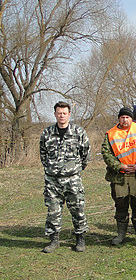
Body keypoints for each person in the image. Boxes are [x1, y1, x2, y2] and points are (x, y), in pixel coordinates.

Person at [39, 101, 91, 253]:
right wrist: (52, 170)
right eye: (59, 113)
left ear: (69, 114)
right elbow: (43, 155)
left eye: (64, 113)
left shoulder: (78, 132)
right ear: (55, 114)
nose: (61, 116)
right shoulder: (47, 133)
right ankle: (54, 240)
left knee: (78, 209)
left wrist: (75, 169)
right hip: (52, 181)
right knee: (53, 211)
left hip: (72, 179)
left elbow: (86, 155)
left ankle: (80, 239)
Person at [102, 107, 136, 246]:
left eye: (128, 117)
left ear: (132, 118)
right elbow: (106, 153)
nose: (125, 119)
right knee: (121, 204)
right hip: (119, 176)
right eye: (122, 117)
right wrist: (120, 166)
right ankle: (121, 234)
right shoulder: (111, 134)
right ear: (119, 118)